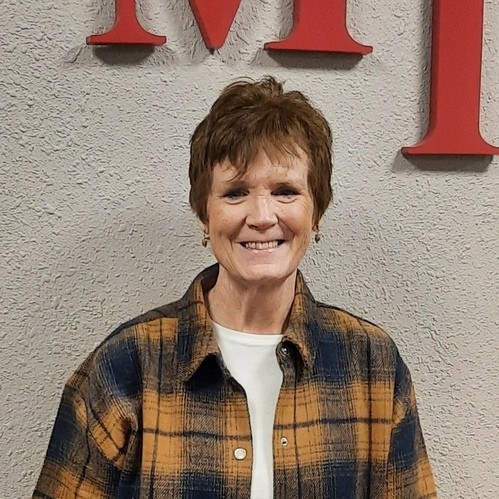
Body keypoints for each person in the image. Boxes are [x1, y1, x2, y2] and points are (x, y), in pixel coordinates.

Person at [34, 76, 437, 498]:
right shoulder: (127, 365)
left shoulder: (373, 364)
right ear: (203, 215)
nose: (261, 216)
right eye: (235, 193)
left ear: (316, 212)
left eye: (285, 192)